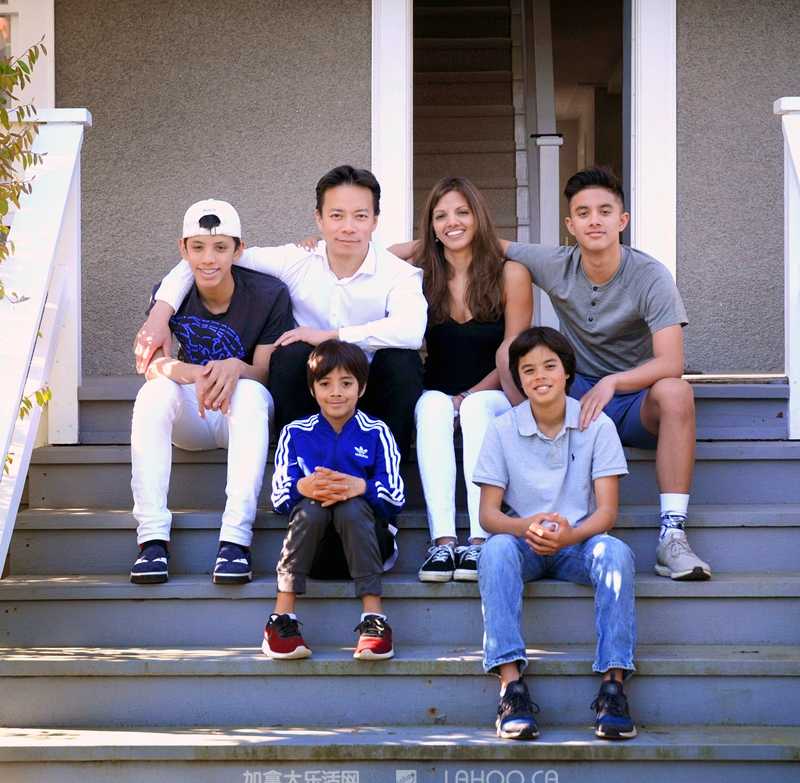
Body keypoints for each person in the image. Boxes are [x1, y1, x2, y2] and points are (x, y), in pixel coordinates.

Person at [499, 166, 710, 581]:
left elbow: (671, 362)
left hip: (634, 400)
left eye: (604, 211)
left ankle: (672, 535)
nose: (594, 220)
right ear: (570, 225)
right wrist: (413, 246)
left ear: (622, 220)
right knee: (521, 352)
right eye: (583, 213)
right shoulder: (557, 263)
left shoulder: (650, 275)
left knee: (676, 392)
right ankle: (525, 511)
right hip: (573, 396)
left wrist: (614, 382)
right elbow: (492, 243)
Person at [134, 165, 427, 461]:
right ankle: (297, 466)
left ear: (375, 220)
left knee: (402, 361)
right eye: (337, 215)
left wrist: (330, 335)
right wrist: (160, 314)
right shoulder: (297, 260)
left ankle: (388, 469)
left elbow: (411, 331)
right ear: (319, 218)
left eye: (360, 216)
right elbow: (212, 257)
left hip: (373, 393)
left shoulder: (398, 273)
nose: (348, 227)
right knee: (290, 354)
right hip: (313, 394)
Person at [475, 326, 637, 740]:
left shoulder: (597, 425)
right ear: (519, 378)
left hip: (577, 543)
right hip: (524, 543)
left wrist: (569, 536)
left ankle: (613, 686)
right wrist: (525, 526)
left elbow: (608, 512)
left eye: (549, 366)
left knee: (615, 553)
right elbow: (489, 515)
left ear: (567, 372)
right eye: (528, 370)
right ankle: (511, 687)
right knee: (494, 550)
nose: (539, 376)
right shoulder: (502, 428)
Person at [130, 199, 293, 585]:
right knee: (153, 394)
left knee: (250, 394)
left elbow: (264, 372)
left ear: (238, 250)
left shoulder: (268, 293)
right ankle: (152, 540)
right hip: (194, 411)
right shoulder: (169, 295)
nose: (208, 259)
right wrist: (197, 373)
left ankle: (235, 541)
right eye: (198, 247)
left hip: (242, 410)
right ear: (183, 249)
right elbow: (153, 365)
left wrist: (235, 367)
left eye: (220, 247)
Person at [388, 177, 532, 583]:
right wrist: (433, 241)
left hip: (495, 393)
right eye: (441, 216)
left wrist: (467, 395)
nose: (452, 222)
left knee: (475, 408)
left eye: (462, 213)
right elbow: (377, 258)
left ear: (479, 217)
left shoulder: (511, 274)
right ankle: (443, 541)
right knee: (432, 406)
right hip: (438, 393)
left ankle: (481, 538)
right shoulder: (420, 276)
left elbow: (514, 353)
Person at [263, 340, 404, 661]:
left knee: (351, 506)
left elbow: (395, 495)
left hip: (370, 546)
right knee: (311, 508)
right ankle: (281, 618)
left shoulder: (377, 432)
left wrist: (360, 487)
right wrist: (304, 487)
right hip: (314, 553)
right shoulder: (296, 433)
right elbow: (279, 496)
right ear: (312, 390)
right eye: (325, 384)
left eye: (346, 383)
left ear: (362, 387)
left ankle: (374, 620)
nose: (336, 392)